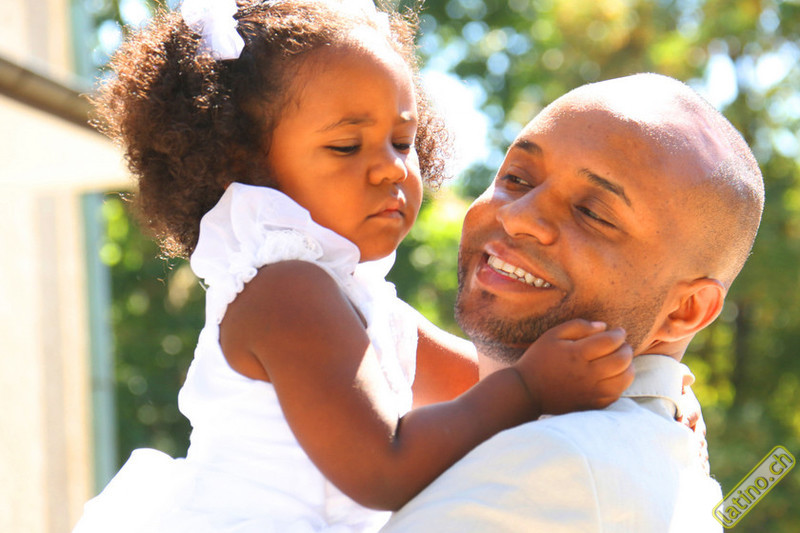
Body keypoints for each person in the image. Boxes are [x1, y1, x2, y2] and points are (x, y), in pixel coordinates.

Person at [73, 1, 635, 532]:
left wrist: (633, 386)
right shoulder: (285, 291)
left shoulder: (354, 296)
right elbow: (384, 468)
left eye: (402, 142)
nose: (392, 169)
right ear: (241, 162)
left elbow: (481, 379)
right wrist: (531, 388)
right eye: (347, 146)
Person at [381, 73, 764, 532]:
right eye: (517, 178)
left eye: (592, 213)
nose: (519, 216)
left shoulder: (556, 467)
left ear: (687, 310)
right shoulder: (653, 458)